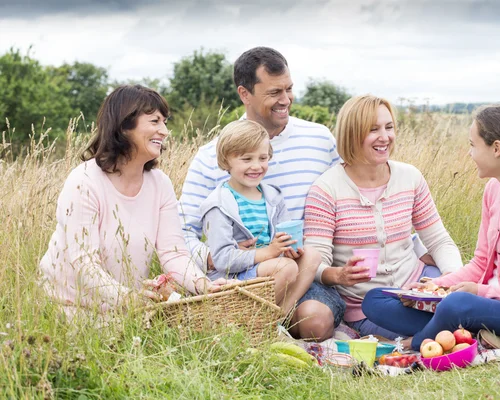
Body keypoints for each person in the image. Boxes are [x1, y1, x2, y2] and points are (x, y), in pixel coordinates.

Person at [362, 104, 500, 350]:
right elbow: (480, 262)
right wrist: (437, 285)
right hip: (477, 308)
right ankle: (470, 334)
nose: (469, 153)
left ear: (496, 148)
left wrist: (480, 292)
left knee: (457, 305)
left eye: (473, 145)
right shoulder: (493, 191)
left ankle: (418, 342)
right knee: (375, 300)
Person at [179, 46, 345, 340]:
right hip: (243, 273)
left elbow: (346, 202)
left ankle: (268, 325)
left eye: (289, 89)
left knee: (316, 322)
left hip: (300, 275)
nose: (286, 100)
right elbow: (182, 231)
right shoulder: (211, 156)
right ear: (245, 94)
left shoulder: (319, 139)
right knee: (294, 298)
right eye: (274, 92)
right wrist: (213, 258)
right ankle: (254, 324)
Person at [39, 85, 228, 317]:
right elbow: (84, 263)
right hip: (72, 308)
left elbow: (174, 253)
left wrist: (203, 285)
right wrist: (128, 299)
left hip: (127, 310)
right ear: (124, 125)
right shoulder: (84, 181)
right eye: (155, 121)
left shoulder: (160, 183)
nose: (165, 131)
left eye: (165, 122)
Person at [304, 95, 463, 339]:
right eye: (373, 130)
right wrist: (339, 275)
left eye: (389, 127)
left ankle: (453, 318)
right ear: (352, 134)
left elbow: (439, 241)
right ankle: (450, 326)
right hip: (369, 306)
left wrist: (451, 282)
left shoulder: (410, 177)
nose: (385, 137)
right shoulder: (326, 190)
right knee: (444, 326)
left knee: (474, 292)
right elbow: (314, 264)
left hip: (419, 285)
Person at [198, 120, 321, 315]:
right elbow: (222, 259)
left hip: (271, 268)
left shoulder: (273, 197)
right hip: (235, 277)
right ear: (225, 161)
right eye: (246, 159)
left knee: (312, 255)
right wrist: (269, 253)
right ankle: (260, 321)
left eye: (263, 158)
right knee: (286, 267)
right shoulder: (218, 204)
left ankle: (279, 319)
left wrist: (290, 248)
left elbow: (282, 239)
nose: (256, 166)